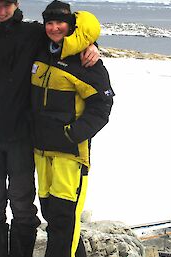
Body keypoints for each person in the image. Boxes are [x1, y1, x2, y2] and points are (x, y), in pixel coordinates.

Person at [0, 0, 100, 256]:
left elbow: (65, 36)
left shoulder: (32, 33)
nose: (2, 12)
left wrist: (91, 45)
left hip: (24, 137)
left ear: (16, 4)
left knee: (23, 204)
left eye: (7, 5)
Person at [31, 1, 115, 257]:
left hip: (71, 154)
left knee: (65, 217)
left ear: (71, 26)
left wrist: (72, 134)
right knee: (50, 213)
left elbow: (102, 106)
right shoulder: (42, 51)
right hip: (42, 151)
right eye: (50, 22)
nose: (54, 28)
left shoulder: (87, 64)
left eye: (60, 23)